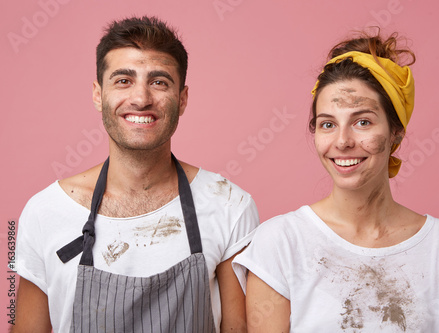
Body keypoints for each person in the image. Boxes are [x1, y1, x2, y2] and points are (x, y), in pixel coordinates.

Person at [14, 16, 259, 333]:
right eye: (123, 81)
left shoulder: (229, 206)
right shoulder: (45, 212)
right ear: (98, 94)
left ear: (182, 99)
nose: (141, 99)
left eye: (159, 82)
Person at [233, 31, 439, 332]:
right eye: (327, 124)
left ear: (396, 132)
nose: (342, 141)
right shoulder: (279, 242)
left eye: (362, 122)